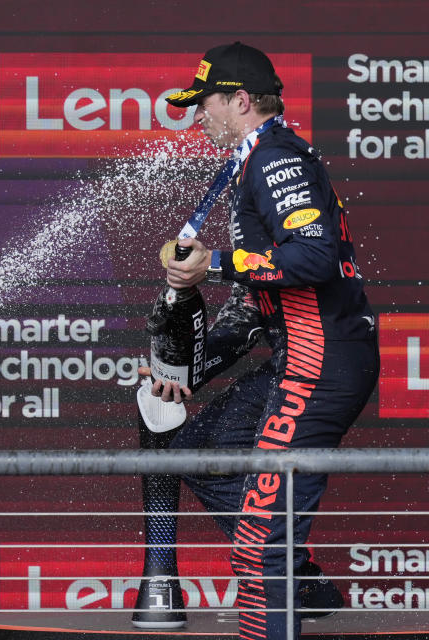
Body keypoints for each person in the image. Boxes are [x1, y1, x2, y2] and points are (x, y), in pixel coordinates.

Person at [140, 42, 379, 640]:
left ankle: (287, 576)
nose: (198, 116)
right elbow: (258, 305)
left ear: (240, 100)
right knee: (194, 449)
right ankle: (304, 584)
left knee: (259, 549)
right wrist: (190, 370)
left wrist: (213, 264)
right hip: (296, 356)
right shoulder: (253, 160)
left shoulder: (274, 159)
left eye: (206, 103)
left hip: (319, 362)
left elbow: (314, 257)